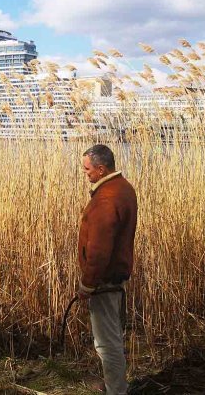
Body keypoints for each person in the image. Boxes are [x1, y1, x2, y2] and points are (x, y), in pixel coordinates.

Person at [77, 144, 137, 395]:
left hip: (104, 281)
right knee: (113, 335)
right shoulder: (123, 188)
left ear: (101, 169)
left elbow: (99, 250)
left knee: (106, 343)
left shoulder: (106, 199)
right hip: (114, 276)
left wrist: (88, 283)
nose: (85, 173)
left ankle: (116, 390)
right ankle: (114, 384)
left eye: (87, 169)